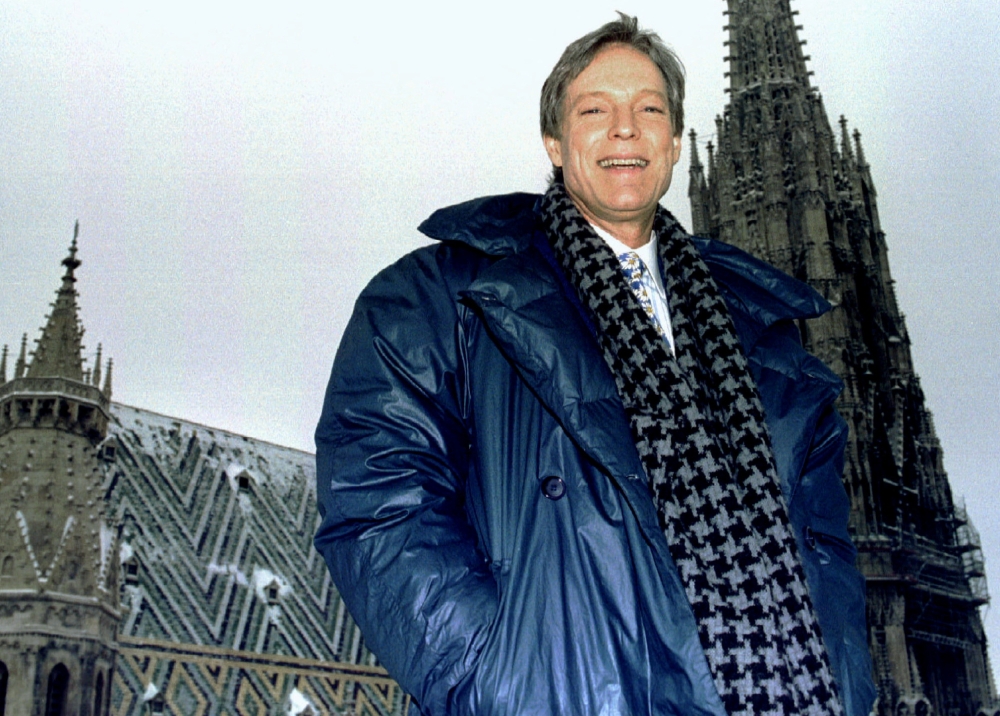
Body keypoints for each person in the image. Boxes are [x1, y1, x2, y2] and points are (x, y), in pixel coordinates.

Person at [315, 14, 876, 716]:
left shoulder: (770, 341)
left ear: (675, 144)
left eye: (649, 109)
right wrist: (506, 685)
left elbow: (826, 553)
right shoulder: (436, 299)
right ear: (554, 142)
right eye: (594, 110)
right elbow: (376, 502)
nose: (624, 129)